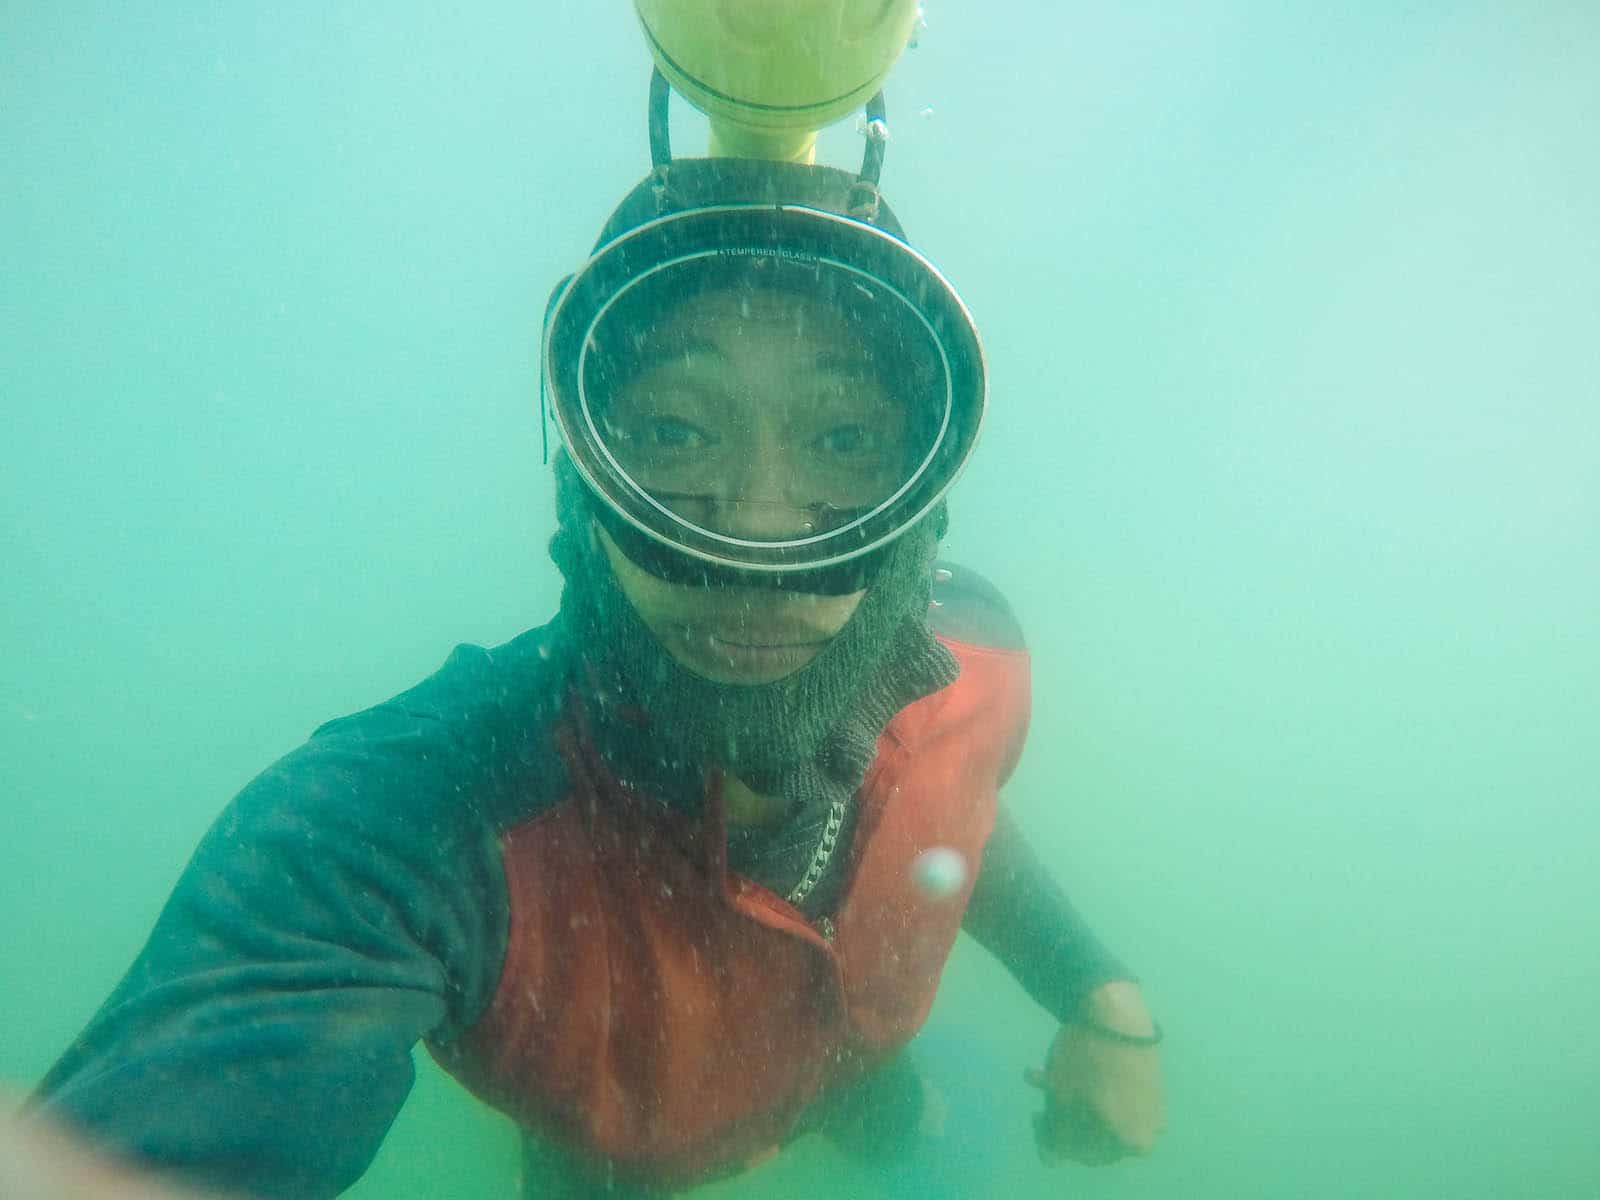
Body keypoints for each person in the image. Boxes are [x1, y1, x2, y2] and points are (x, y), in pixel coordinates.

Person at [28, 88, 1164, 1200]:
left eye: (845, 437)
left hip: (857, 1073)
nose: (756, 543)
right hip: (617, 1163)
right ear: (582, 478)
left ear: (924, 500)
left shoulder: (977, 655)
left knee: (896, 1130)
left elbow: (960, 805)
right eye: (671, 430)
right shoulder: (409, 824)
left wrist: (1102, 997)